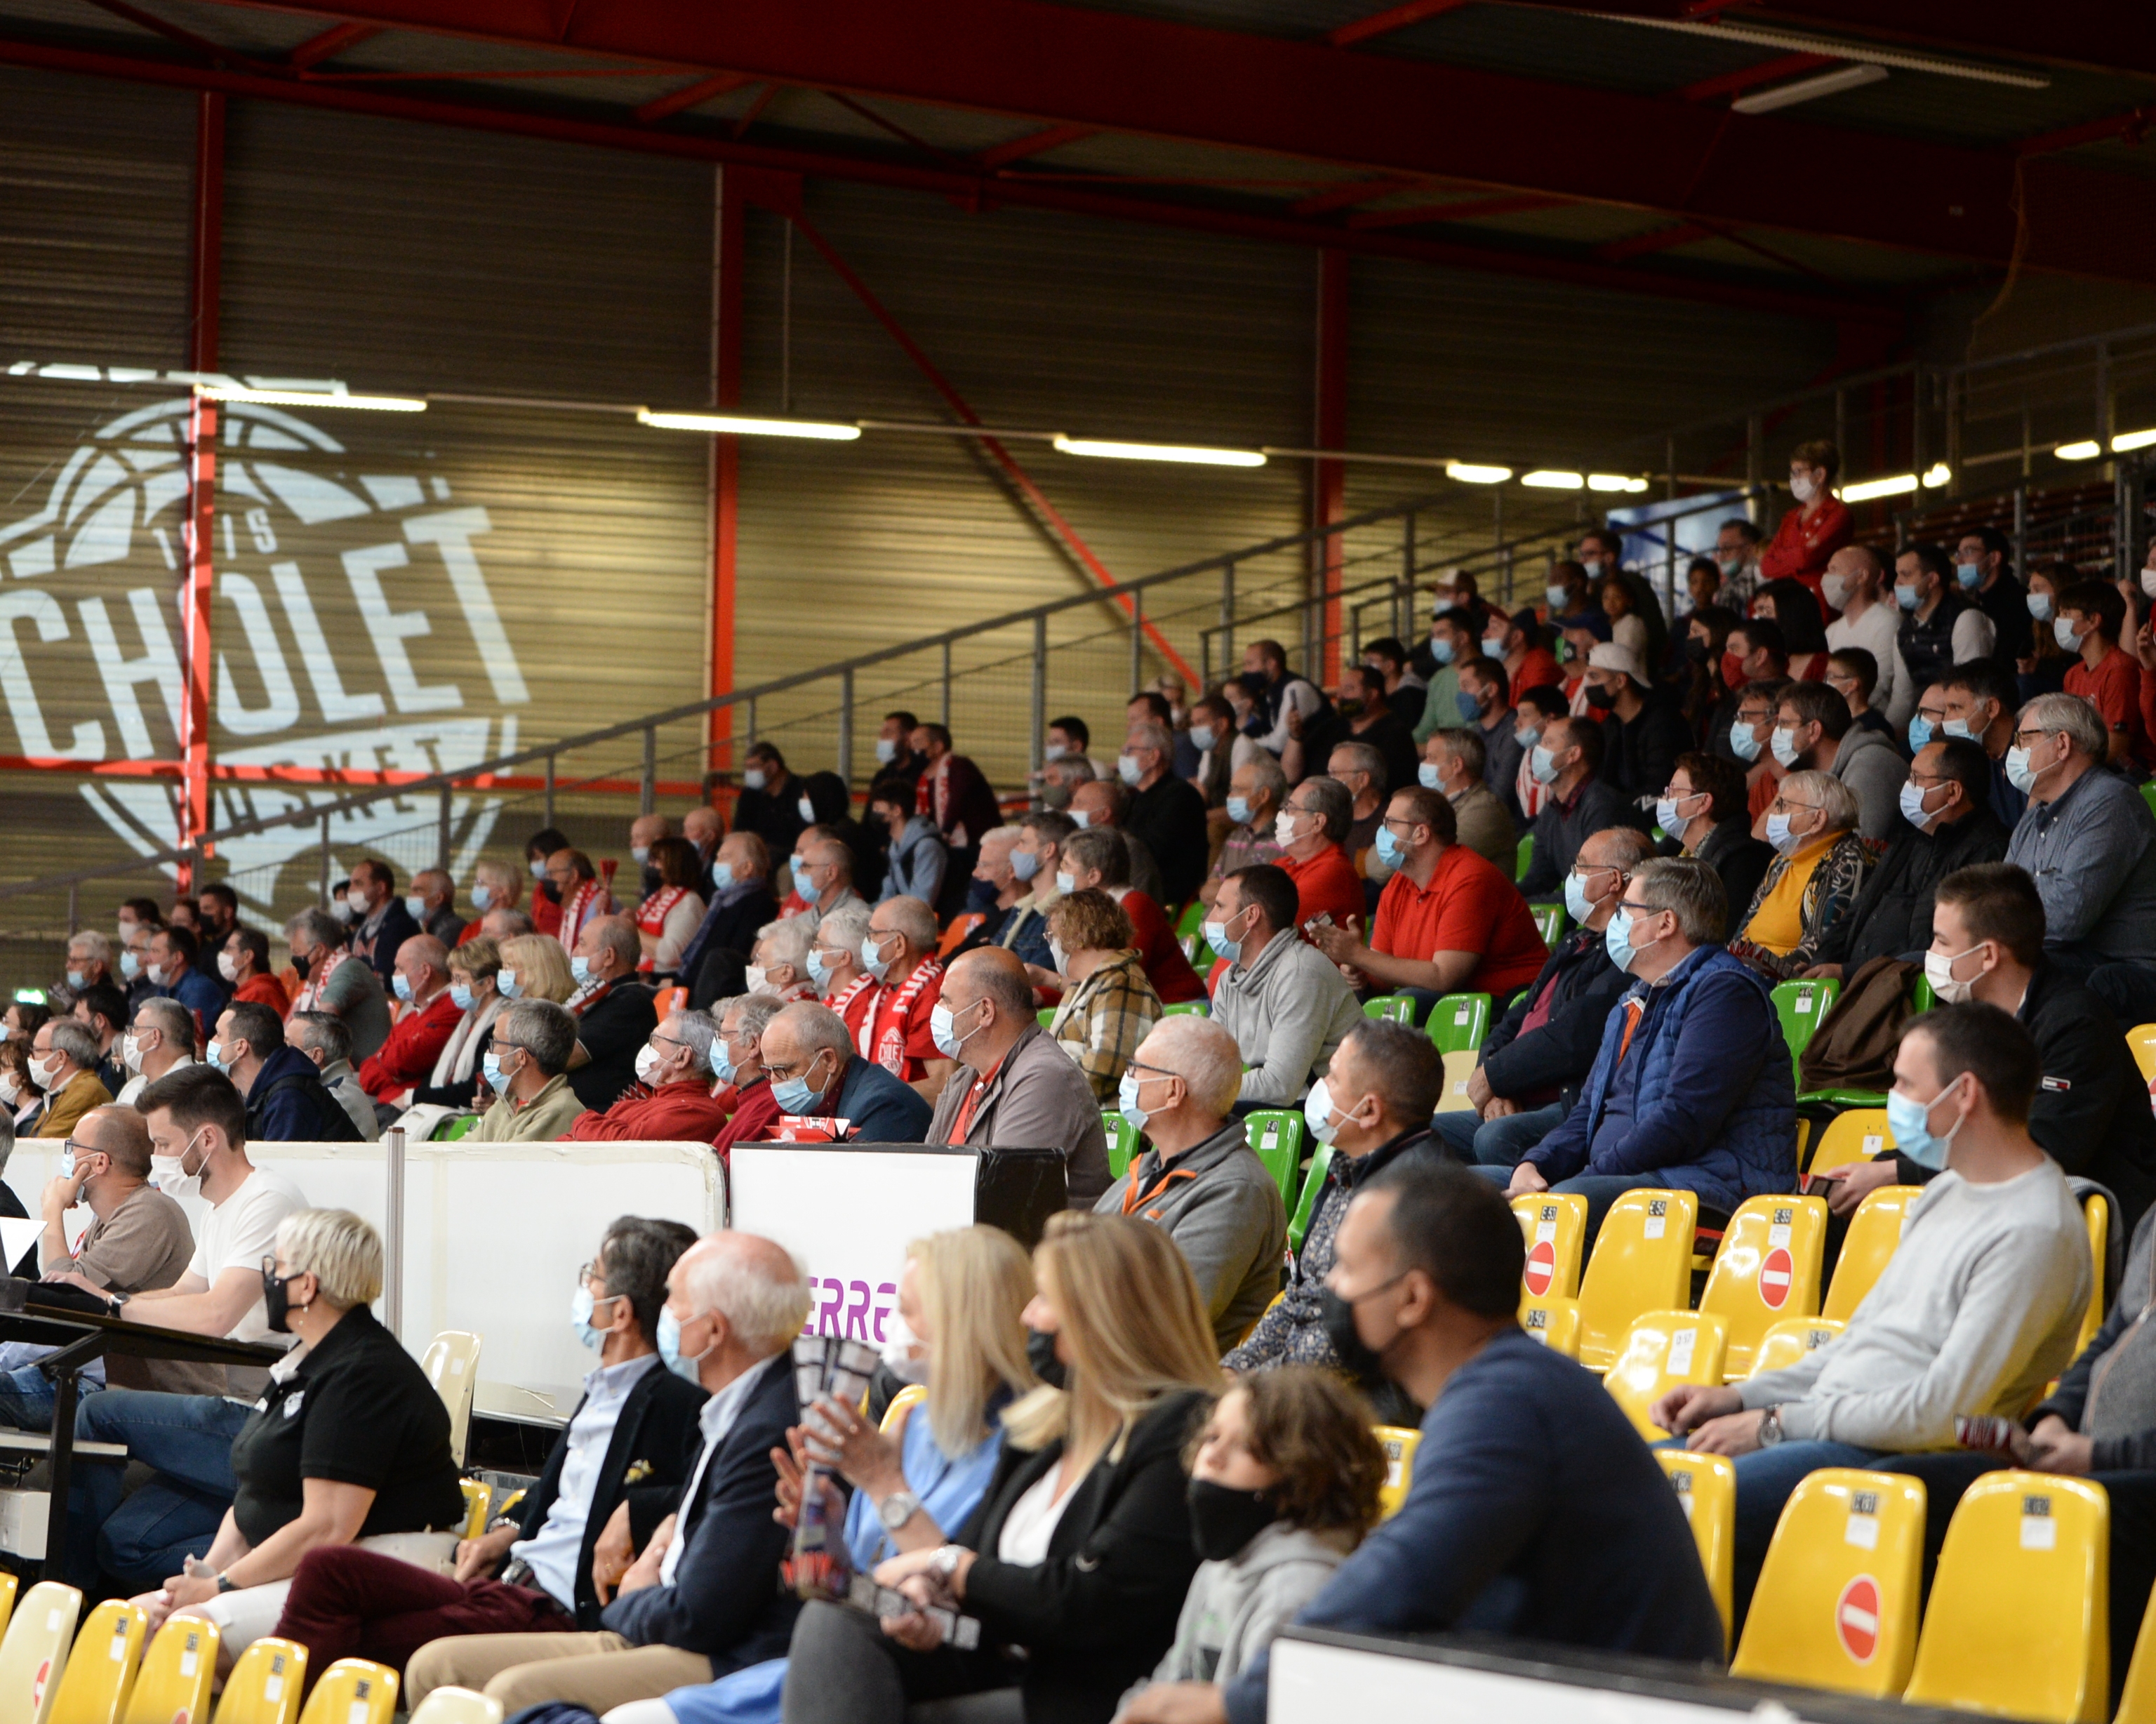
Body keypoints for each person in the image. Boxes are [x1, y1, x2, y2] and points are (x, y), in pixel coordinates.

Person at [1145, 1164, 1726, 1724]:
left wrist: (1239, 1703)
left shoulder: (1507, 1403)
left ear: (1413, 1299)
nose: (1331, 1289)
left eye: (1347, 1268)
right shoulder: (1510, 1386)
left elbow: (1405, 1578)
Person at [1653, 1004, 2092, 1616]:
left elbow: (1944, 1414)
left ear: (1963, 1094)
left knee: (1659, 1508)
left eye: (1906, 1084)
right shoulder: (1945, 1191)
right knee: (1617, 1479)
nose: (1895, 1100)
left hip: (1893, 1456)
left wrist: (1776, 1424)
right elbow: (1858, 1347)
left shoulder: (2035, 1229)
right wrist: (1740, 1397)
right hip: (1829, 1426)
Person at [782, 1212, 1218, 1724]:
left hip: (1087, 1697)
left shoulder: (1179, 1433)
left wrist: (947, 1565)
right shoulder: (1041, 1429)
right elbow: (971, 1566)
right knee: (832, 1621)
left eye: (1046, 1298)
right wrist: (933, 1604)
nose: (1028, 1315)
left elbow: (1088, 1603)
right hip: (993, 1662)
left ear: (1101, 1314)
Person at [617, 1224, 1038, 1724]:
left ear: (961, 1321)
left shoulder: (1023, 1445)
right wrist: (821, 1533)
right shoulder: (914, 1422)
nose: (892, 1329)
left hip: (918, 1668)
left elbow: (961, 1607)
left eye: (905, 1311)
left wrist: (885, 1485)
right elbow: (844, 1585)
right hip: (834, 1646)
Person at [268, 1220, 708, 1680]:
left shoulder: (675, 1403)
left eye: (592, 1276)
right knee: (329, 1570)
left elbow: (707, 1491)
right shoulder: (602, 1389)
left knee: (351, 1649)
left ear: (620, 1314)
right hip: (510, 1581)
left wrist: (637, 1512)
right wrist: (505, 1529)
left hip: (549, 1608)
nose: (583, 1287)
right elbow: (558, 1494)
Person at [404, 1233, 811, 1716]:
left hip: (723, 1657)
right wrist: (662, 1531)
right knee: (433, 1667)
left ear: (714, 1330)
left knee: (513, 1693)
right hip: (666, 1625)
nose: (662, 1314)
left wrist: (626, 1605)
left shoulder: (767, 1428)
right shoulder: (736, 1403)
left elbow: (699, 1615)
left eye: (674, 1302)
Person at [135, 1209, 464, 1666]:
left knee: (173, 1639)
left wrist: (219, 1588)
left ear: (307, 1286)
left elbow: (328, 1527)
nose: (268, 1278)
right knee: (131, 1621)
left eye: (277, 1266)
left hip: (380, 1566)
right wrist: (209, 1571)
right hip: (314, 1563)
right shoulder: (305, 1361)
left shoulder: (362, 1373)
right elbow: (256, 1496)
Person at [63, 1064, 309, 1592]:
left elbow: (217, 1314)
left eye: (164, 1143)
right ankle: (251, 1561)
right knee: (123, 1544)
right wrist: (109, 1299)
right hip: (241, 1409)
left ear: (207, 1138)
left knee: (98, 1412)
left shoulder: (268, 1200)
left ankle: (64, 1594)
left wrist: (113, 1307)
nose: (157, 1158)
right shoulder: (220, 1209)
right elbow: (183, 1294)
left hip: (265, 1416)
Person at [1818, 863, 2156, 1232]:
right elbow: (1947, 1131)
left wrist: (1895, 1173)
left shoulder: (2076, 1025)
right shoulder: (1976, 1025)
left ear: (1989, 956)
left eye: (1942, 941)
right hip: (1999, 1207)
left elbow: (2043, 1153)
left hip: (2087, 1223)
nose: (1929, 954)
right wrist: (1874, 1171)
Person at [1503, 858, 1795, 1238]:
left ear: (1666, 923)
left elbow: (1682, 1119)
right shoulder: (1633, 999)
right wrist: (1535, 1165)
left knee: (1567, 1202)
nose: (1616, 920)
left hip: (1709, 1187)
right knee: (1475, 1193)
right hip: (1624, 1176)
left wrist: (1580, 1179)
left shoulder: (1724, 993)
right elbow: (1587, 1112)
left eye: (1626, 909)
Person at [1115, 1370, 1383, 1723]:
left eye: (1244, 1446)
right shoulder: (1221, 1565)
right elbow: (1170, 1681)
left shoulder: (1297, 1590)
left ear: (1302, 1474)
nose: (1212, 1456)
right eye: (1211, 1437)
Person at [1223, 1023, 1441, 1392]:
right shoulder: (1348, 1166)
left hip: (1359, 1399)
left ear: (1369, 1110)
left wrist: (1254, 1386)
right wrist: (1235, 1368)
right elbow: (1300, 1294)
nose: (1322, 1085)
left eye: (1333, 1077)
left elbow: (1350, 1344)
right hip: (1297, 1384)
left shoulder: (1415, 1196)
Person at [1437, 827, 1649, 1169]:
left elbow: (1574, 1036)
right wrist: (1492, 1081)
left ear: (1613, 881)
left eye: (1581, 866)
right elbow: (1516, 1017)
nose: (1572, 876)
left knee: (1495, 1137)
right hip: (1514, 1091)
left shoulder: (1626, 952)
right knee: (1424, 1132)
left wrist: (1496, 1076)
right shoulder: (1574, 942)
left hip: (1564, 1100)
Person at [1096, 1016, 1288, 1351]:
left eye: (1136, 1068)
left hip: (1165, 1388)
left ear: (1173, 1091)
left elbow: (1167, 1321)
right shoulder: (1151, 1167)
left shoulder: (1237, 1191)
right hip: (1103, 1365)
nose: (1126, 1079)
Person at [0, 1105, 192, 1430]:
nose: (68, 1156)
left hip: (140, 1388)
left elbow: (65, 1295)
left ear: (99, 1162)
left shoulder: (150, 1213)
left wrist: (52, 1212)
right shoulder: (107, 1219)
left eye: (72, 1147)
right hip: (96, 1371)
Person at [1311, 788, 1548, 1014]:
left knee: (1410, 999)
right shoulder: (1398, 885)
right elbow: (1383, 975)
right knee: (1337, 1000)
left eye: (1390, 823)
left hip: (1509, 1003)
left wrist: (1359, 955)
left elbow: (1443, 977)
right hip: (1448, 997)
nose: (1382, 832)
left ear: (1421, 834)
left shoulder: (1470, 878)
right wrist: (1360, 973)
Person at [1802, 738, 2007, 978]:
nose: (1907, 786)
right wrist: (1821, 962)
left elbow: (1939, 944)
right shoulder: (1912, 835)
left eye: (1916, 778)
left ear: (1953, 792)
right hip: (1856, 982)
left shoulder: (1988, 850)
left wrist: (1848, 972)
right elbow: (1859, 909)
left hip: (1901, 989)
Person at [926, 949, 1114, 1205]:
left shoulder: (1045, 1078)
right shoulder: (964, 1079)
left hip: (1037, 1244)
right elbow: (927, 1174)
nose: (937, 1010)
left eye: (945, 1001)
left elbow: (1002, 1198)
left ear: (985, 1012)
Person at [2005, 691, 2156, 978]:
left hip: (2122, 969)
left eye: (2024, 739)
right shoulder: (2035, 816)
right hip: (2067, 957)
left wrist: (1996, 926)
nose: (2015, 750)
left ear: (2061, 745)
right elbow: (2000, 893)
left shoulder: (2111, 803)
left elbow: (2066, 919)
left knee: (1999, 967)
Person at [1207, 866, 1361, 1109]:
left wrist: (1202, 1089)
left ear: (1251, 916)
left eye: (1220, 907)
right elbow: (1209, 1056)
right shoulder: (1230, 978)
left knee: (1203, 1114)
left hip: (1333, 1106)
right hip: (1287, 1101)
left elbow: (1280, 1085)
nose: (1209, 919)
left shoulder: (1302, 973)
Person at [1726, 771, 1875, 982]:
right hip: (1746, 974)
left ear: (1817, 820)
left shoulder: (1849, 862)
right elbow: (1743, 931)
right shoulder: (1782, 861)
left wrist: (1747, 973)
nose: (1774, 814)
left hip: (1780, 983)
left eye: (1784, 806)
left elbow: (1816, 951)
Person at [749, 1001, 933, 1143]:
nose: (774, 1081)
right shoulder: (820, 1098)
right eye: (769, 1071)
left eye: (783, 1070)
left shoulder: (882, 1106)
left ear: (829, 1060)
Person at [1056, 828, 1204, 1005]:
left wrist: (1050, 981)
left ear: (1093, 876)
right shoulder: (1092, 912)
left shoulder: (1136, 906)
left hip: (1177, 1007)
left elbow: (1116, 980)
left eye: (1066, 866)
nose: (1060, 872)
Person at [1045, 889, 1164, 1106]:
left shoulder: (1121, 982)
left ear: (1077, 935)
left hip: (1098, 1123)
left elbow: (1105, 1067)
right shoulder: (1084, 985)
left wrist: (1044, 1101)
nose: (1051, 944)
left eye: (1052, 936)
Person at [568, 1009, 735, 1144]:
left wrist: (582, 1122)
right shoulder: (627, 1107)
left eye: (655, 1041)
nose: (647, 1047)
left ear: (682, 1057)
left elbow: (623, 1145)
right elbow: (565, 1144)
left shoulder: (699, 1114)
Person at [1516, 717, 1642, 896]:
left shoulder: (1603, 807)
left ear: (1573, 754)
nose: (1538, 749)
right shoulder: (1552, 811)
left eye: (1548, 742)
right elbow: (1539, 880)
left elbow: (1597, 890)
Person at [1771, 679, 1906, 842]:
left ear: (1814, 730)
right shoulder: (1815, 771)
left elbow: (1861, 849)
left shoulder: (1871, 765)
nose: (1777, 732)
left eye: (1784, 724)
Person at [215, 1000, 361, 1143]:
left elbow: (278, 1165)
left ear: (241, 1047)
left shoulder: (289, 1097)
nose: (213, 1041)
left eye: (218, 1034)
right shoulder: (259, 1093)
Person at [853, 896, 954, 1101]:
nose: (867, 942)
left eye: (873, 934)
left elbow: (944, 1084)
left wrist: (870, 1099)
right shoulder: (890, 990)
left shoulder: (936, 996)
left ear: (899, 944)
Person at [1656, 751, 1772, 924]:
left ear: (1703, 802)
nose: (1665, 798)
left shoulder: (1741, 861)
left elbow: (1724, 934)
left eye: (1674, 791)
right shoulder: (1681, 854)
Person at [2056, 578, 2154, 769]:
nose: (2058, 621)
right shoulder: (2073, 675)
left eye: (2067, 614)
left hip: (2129, 774)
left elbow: (2117, 749)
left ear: (2094, 620)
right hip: (2091, 768)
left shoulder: (2121, 670)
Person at [355, 934, 462, 1108]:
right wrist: (390, 1067)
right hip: (388, 1104)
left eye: (400, 968)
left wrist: (385, 1062)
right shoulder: (413, 1014)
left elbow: (405, 1059)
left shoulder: (454, 1006)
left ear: (425, 971)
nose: (395, 975)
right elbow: (368, 1072)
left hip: (411, 1111)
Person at [568, 917, 662, 1110]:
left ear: (608, 956)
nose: (575, 952)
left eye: (582, 943)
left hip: (602, 1119)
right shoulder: (604, 995)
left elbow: (564, 1056)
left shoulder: (630, 1002)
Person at [1823, 544, 1916, 729]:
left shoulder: (1888, 622)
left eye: (1835, 570)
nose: (1827, 578)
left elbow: (1885, 687)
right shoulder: (1832, 630)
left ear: (1862, 576)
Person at [684, 833, 780, 1011]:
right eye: (717, 857)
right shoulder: (722, 901)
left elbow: (730, 959)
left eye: (725, 858)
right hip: (691, 988)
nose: (716, 863)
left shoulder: (760, 904)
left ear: (747, 868)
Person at [1583, 642, 1688, 804]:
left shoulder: (1664, 725)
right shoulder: (1610, 726)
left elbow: (1660, 787)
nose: (1588, 685)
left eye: (1594, 676)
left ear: (1621, 681)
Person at [409, 937, 507, 1111]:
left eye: (460, 980)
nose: (454, 987)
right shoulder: (469, 1020)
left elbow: (472, 1089)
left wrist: (413, 1097)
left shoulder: (499, 1026)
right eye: (453, 979)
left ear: (489, 983)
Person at [472, 1000, 591, 1142]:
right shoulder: (505, 1103)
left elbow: (506, 1163)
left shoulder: (558, 1112)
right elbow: (456, 1154)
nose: (489, 1051)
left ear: (521, 1057)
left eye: (496, 1043)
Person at [1122, 718, 1210, 908]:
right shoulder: (1136, 797)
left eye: (1129, 751)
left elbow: (1150, 850)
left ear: (1154, 757)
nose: (1123, 758)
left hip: (1164, 899)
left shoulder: (1181, 796)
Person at [286, 908, 392, 1062]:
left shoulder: (348, 970)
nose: (294, 959)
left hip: (363, 1074)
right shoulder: (315, 982)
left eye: (297, 952)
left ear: (320, 950)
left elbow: (324, 1018)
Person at [1934, 660, 2030, 829]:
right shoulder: (1982, 761)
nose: (1946, 720)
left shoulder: (2034, 756)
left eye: (1956, 708)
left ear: (1992, 708)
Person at [1752, 440, 1851, 603]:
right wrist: (1798, 554)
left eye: (1798, 472)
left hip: (1818, 603)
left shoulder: (1838, 515)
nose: (1793, 479)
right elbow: (1766, 565)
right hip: (1787, 602)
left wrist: (1781, 556)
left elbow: (1806, 559)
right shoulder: (1791, 517)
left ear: (1820, 474)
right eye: (1792, 473)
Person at [1267, 774, 1366, 936]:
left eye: (1291, 808)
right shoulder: (1282, 863)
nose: (1282, 813)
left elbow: (1263, 924)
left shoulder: (1334, 872)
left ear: (1317, 823)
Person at [1896, 543, 1996, 694]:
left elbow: (1968, 689)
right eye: (1897, 575)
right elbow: (1903, 695)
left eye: (1906, 575)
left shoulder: (1966, 618)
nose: (1897, 583)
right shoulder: (1905, 629)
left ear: (1932, 580)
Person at [912, 723, 1002, 891]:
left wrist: (945, 832)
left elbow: (957, 799)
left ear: (938, 746)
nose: (913, 748)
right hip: (950, 846)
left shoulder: (959, 766)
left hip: (973, 844)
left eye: (918, 742)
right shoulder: (924, 775)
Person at [1418, 730, 1512, 875]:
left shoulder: (1486, 810)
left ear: (1457, 765)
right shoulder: (1434, 805)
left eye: (1431, 758)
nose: (1424, 764)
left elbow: (1436, 860)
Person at [1199, 758, 1287, 907]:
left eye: (1238, 790)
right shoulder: (1236, 836)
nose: (1230, 797)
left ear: (1264, 795)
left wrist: (1225, 894)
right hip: (1212, 926)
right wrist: (1240, 895)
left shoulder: (1287, 841)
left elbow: (1265, 900)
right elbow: (1207, 892)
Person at [710, 996, 788, 1161]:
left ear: (753, 1044)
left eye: (725, 1035)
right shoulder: (755, 1101)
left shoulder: (771, 1108)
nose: (718, 1043)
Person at [288, 1012, 381, 1141]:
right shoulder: (330, 1087)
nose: (279, 1053)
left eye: (288, 1046)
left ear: (315, 1056)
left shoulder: (338, 1097)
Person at [994, 814, 1067, 979]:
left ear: (1048, 850)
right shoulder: (1021, 908)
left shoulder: (1059, 915)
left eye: (1023, 843)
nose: (1015, 851)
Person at [344, 860, 422, 995]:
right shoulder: (363, 926)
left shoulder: (400, 925)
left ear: (381, 888)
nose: (350, 890)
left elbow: (387, 980)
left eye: (358, 884)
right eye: (351, 884)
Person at [870, 785, 950, 914]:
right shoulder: (895, 848)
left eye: (877, 809)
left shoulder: (927, 847)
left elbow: (922, 903)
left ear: (897, 810)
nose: (873, 814)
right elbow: (887, 895)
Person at [1239, 638, 1324, 760]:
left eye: (1250, 664)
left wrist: (1241, 746)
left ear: (1271, 664)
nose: (1245, 670)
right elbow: (1260, 729)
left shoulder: (1296, 689)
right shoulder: (1268, 693)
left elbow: (1280, 743)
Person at [637, 839, 709, 979]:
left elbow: (670, 954)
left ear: (676, 865)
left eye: (656, 861)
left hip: (667, 981)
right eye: (650, 860)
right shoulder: (655, 899)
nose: (650, 866)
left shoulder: (689, 902)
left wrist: (631, 930)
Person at [29, 1017, 112, 1139]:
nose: (31, 1057)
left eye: (36, 1050)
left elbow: (40, 1150)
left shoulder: (85, 1092)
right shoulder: (65, 1091)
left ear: (61, 1057)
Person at [145, 923, 226, 1038]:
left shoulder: (200, 990)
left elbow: (184, 1041)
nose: (147, 958)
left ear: (178, 958)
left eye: (155, 951)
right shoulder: (164, 988)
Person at [114, 995, 197, 1106]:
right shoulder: (133, 1087)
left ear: (155, 1037)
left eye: (136, 1028)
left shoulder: (195, 1091)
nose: (130, 1035)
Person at [733, 743, 808, 858]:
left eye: (753, 767)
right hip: (757, 856)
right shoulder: (750, 794)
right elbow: (740, 830)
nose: (748, 773)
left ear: (773, 767)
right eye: (747, 768)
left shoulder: (802, 792)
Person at [785, 830, 868, 934]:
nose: (798, 872)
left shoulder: (859, 919)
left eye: (805, 867)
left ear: (831, 873)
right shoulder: (801, 921)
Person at [1755, 577, 1832, 681]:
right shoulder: (1777, 664)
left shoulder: (1826, 665)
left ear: (1791, 618)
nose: (1763, 619)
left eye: (1769, 612)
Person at [2021, 559, 2076, 701]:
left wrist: (2039, 666)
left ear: (2060, 590)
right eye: (2030, 590)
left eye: (2038, 590)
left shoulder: (2076, 626)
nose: (2031, 596)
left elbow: (2075, 669)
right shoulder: (2039, 627)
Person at [1823, 645, 1897, 747]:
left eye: (1832, 676)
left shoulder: (1875, 728)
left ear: (1852, 684)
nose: (1827, 682)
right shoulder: (1830, 718)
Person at [220, 927, 291, 1016]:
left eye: (229, 949)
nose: (223, 953)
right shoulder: (252, 991)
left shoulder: (258, 994)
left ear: (247, 956)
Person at [749, 918, 818, 1004]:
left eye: (760, 960)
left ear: (785, 973)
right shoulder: (808, 1000)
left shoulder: (790, 1014)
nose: (753, 966)